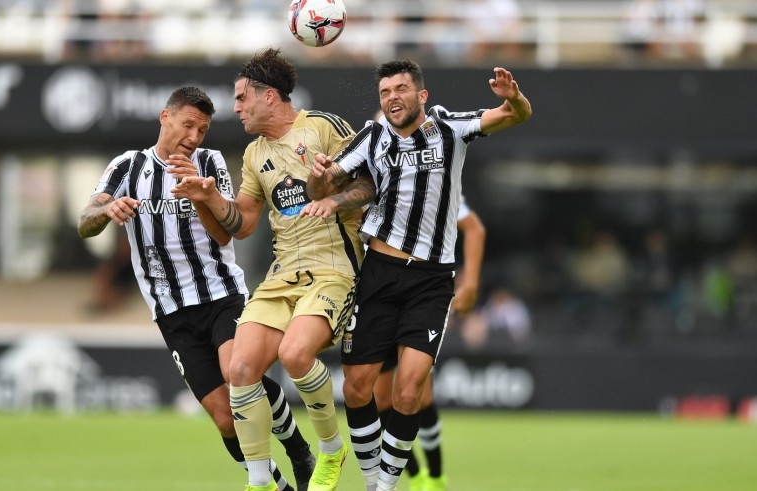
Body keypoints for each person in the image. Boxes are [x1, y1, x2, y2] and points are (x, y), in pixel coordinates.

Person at [302, 61, 532, 490]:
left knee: (410, 392)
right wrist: (319, 178)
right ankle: (375, 479)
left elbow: (515, 116)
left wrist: (514, 98)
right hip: (379, 273)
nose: (392, 96)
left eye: (402, 88)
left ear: (421, 95)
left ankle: (384, 485)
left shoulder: (449, 128)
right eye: (385, 90)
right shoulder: (371, 138)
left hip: (431, 281)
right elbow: (327, 185)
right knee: (357, 388)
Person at [77, 86, 315, 491]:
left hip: (220, 295)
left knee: (239, 373)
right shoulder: (127, 167)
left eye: (202, 130)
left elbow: (224, 237)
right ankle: (280, 487)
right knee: (225, 417)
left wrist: (201, 195)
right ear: (164, 118)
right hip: (171, 311)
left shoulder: (209, 163)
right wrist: (106, 209)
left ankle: (298, 449)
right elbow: (85, 221)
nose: (194, 137)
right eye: (188, 125)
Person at [171, 48, 363, 491]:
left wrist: (332, 192)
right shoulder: (256, 154)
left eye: (242, 98)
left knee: (296, 355)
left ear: (270, 97)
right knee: (240, 368)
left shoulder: (323, 128)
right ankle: (259, 480)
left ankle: (332, 451)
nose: (235, 108)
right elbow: (243, 223)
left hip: (333, 268)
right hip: (283, 275)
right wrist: (207, 196)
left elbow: (370, 184)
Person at [373, 196, 485, 491]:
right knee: (381, 400)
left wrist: (470, 282)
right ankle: (417, 475)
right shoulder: (369, 173)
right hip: (376, 295)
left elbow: (474, 229)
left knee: (417, 395)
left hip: (419, 295)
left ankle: (436, 477)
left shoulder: (436, 180)